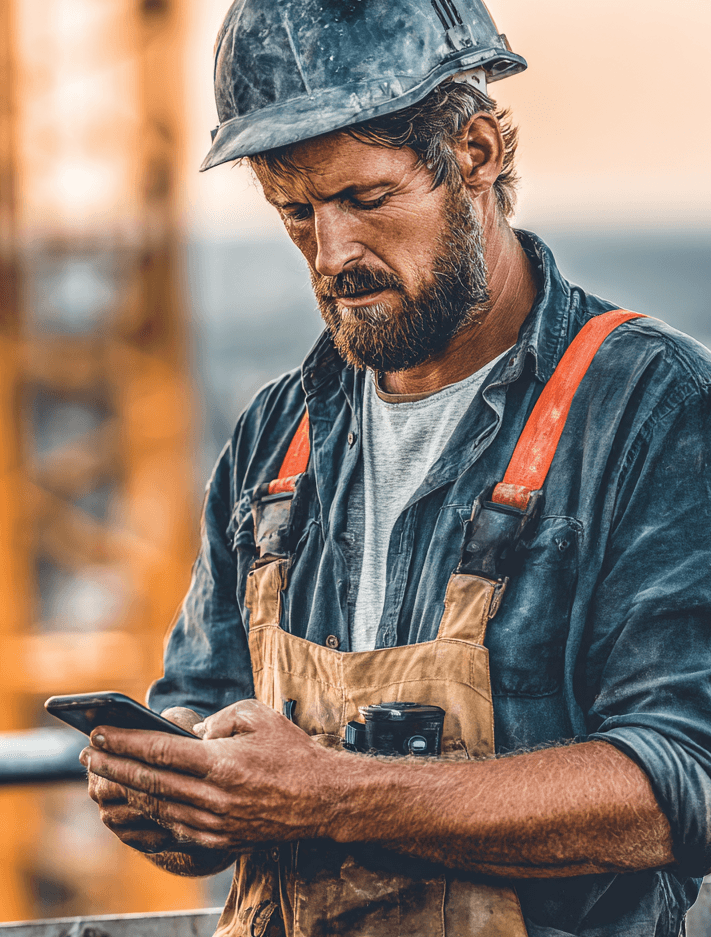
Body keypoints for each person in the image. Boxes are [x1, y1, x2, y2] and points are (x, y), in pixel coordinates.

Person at [80, 2, 711, 935]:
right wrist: (175, 793)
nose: (332, 254)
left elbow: (684, 782)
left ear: (475, 152)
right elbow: (200, 704)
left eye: (366, 199)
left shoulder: (648, 408)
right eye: (296, 212)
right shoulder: (278, 435)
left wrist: (331, 795)